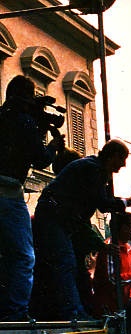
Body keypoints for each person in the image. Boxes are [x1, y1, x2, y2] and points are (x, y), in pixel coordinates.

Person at [32, 139, 131, 320]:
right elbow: (103, 204)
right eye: (123, 159)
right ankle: (72, 313)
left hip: (56, 217)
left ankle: (73, 311)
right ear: (113, 156)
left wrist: (128, 201)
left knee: (67, 264)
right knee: (66, 264)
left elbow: (100, 203)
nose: (124, 164)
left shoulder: (92, 168)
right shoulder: (94, 169)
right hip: (55, 218)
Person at [0, 75, 64, 321]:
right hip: (9, 192)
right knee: (24, 257)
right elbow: (42, 159)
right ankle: (16, 313)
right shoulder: (24, 121)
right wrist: (53, 145)